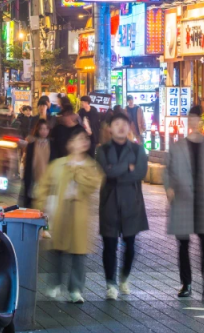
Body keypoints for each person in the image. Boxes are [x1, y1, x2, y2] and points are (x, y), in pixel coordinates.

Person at [34, 131, 103, 304]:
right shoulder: (58, 164)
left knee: (79, 253)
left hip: (80, 215)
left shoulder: (91, 166)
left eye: (84, 139)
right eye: (78, 139)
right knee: (57, 250)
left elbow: (92, 185)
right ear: (70, 144)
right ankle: (55, 283)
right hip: (59, 212)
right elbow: (44, 186)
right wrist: (41, 205)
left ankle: (75, 289)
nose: (82, 142)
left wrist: (77, 171)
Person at [165, 106, 204, 299]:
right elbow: (169, 170)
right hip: (182, 199)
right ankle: (186, 283)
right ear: (188, 122)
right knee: (183, 243)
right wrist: (169, 188)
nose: (193, 122)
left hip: (202, 198)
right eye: (191, 119)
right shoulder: (177, 145)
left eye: (196, 119)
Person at [96, 112, 149, 299]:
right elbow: (106, 171)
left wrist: (116, 169)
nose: (121, 126)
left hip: (131, 202)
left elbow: (140, 173)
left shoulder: (137, 150)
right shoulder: (102, 150)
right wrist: (127, 167)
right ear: (110, 128)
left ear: (129, 127)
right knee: (109, 245)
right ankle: (110, 284)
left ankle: (124, 277)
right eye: (116, 123)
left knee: (130, 244)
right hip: (109, 201)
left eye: (124, 123)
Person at [21, 119, 52, 208]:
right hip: (34, 180)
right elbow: (28, 164)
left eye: (46, 129)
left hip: (47, 181)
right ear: (37, 130)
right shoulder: (32, 144)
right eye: (41, 129)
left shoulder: (52, 145)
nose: (44, 131)